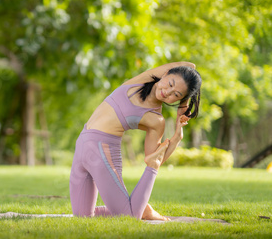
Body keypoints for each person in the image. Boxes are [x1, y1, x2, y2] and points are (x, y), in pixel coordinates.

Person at [69, 62, 201, 221]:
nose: (167, 92)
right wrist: (184, 102)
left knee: (129, 216)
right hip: (82, 142)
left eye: (176, 95)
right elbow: (189, 65)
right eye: (170, 84)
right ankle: (142, 209)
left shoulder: (156, 120)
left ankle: (138, 210)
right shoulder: (141, 81)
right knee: (82, 217)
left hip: (102, 152)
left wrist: (177, 136)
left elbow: (154, 158)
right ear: (164, 75)